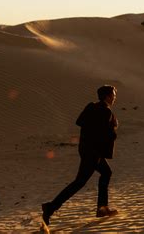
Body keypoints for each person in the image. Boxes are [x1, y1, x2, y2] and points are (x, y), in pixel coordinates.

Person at [41, 85, 119, 226]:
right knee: (79, 182)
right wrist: (112, 130)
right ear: (107, 96)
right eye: (113, 94)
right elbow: (104, 133)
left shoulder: (91, 106)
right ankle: (50, 207)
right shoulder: (106, 111)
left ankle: (102, 208)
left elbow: (80, 122)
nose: (114, 97)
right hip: (93, 152)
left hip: (86, 149)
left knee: (106, 173)